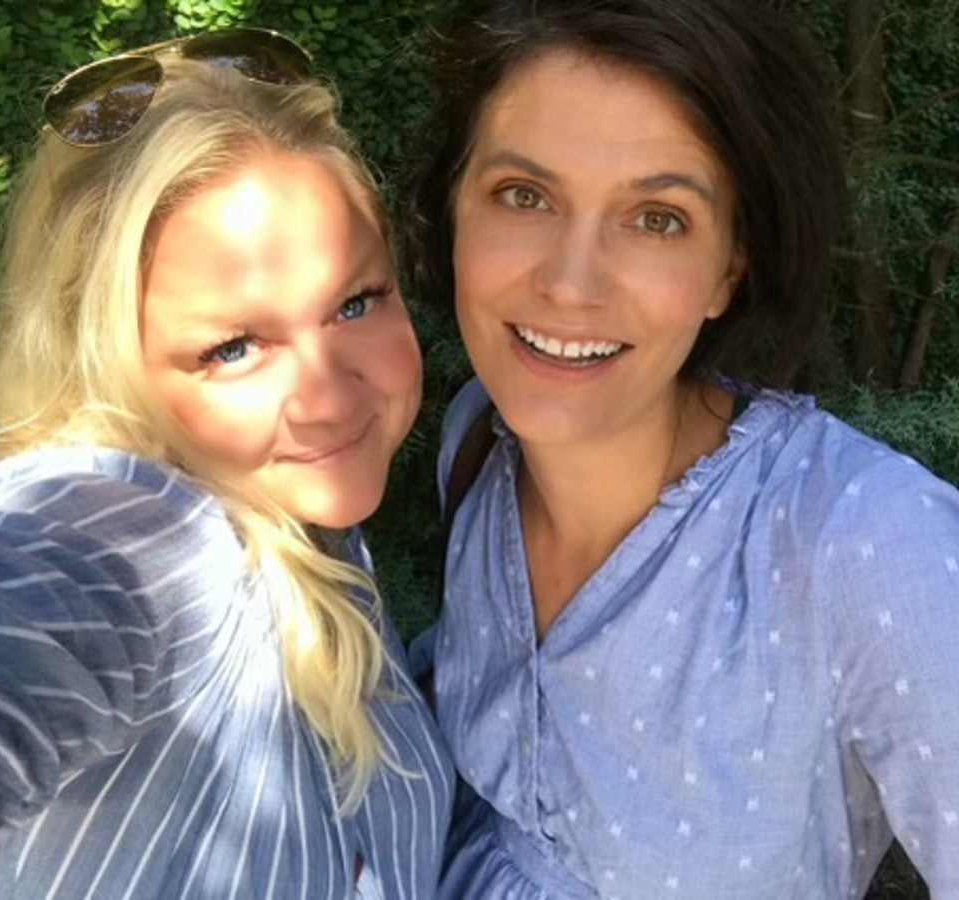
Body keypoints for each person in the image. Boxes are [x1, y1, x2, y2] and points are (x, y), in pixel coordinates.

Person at [405, 1, 959, 897]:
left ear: (729, 268)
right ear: (454, 210)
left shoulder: (867, 545)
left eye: (657, 218)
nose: (570, 284)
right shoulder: (478, 442)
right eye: (524, 195)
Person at [0, 28, 452, 898]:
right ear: (109, 362)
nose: (327, 398)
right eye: (233, 348)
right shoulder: (131, 540)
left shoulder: (305, 531)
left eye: (355, 302)